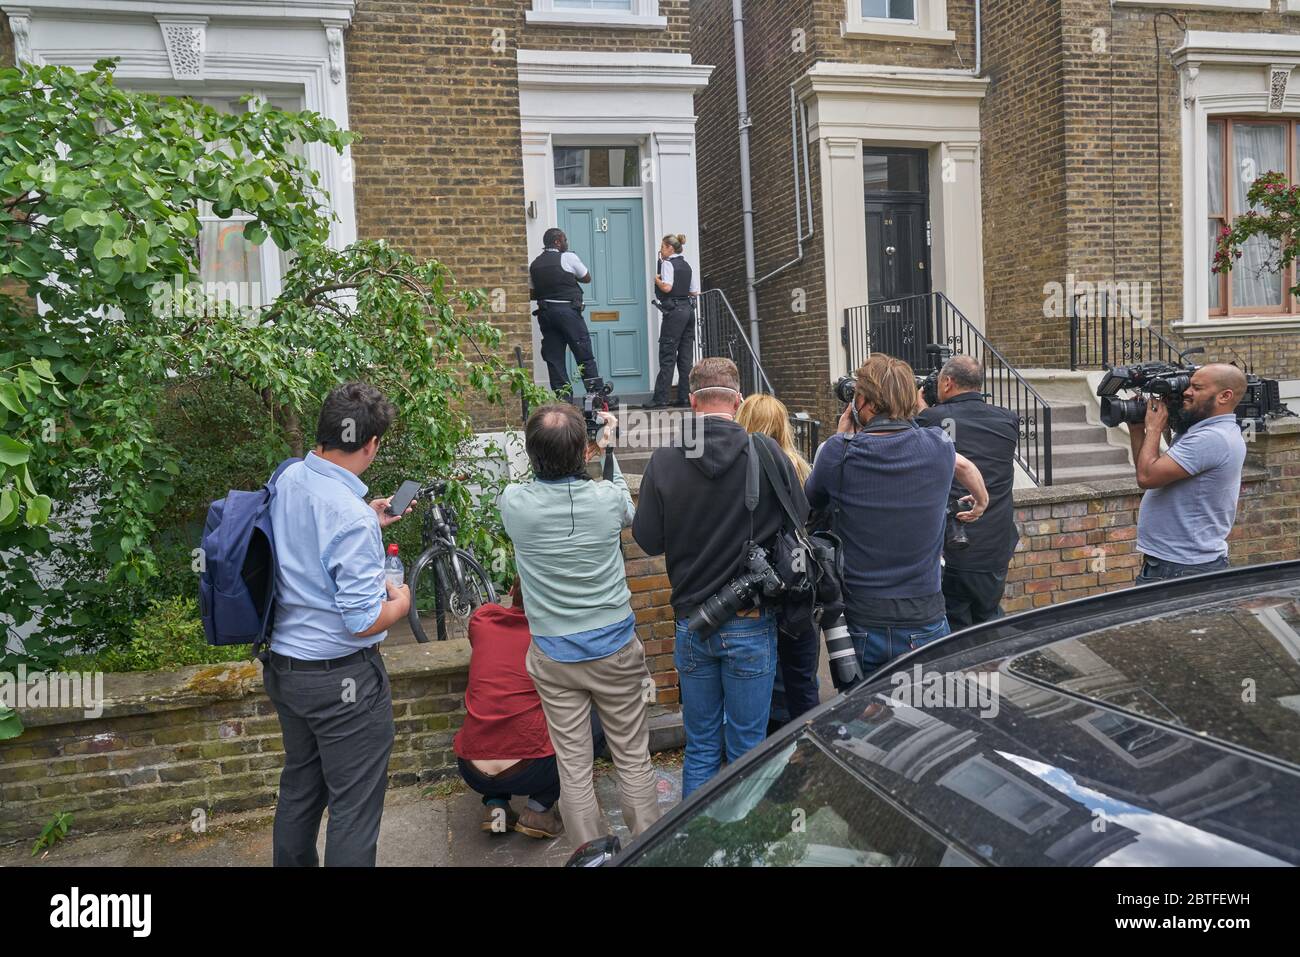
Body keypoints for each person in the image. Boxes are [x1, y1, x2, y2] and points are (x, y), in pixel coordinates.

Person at [633, 358, 808, 797]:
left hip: (693, 623)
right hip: (750, 621)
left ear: (691, 402)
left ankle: (696, 848)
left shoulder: (666, 459)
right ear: (737, 400)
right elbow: (800, 522)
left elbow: (649, 541)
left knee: (701, 747)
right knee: (748, 748)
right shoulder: (766, 452)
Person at [263, 382, 412, 868]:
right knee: (353, 807)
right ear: (370, 445)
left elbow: (304, 541)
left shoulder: (287, 479)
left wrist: (368, 519)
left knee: (300, 790)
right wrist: (403, 604)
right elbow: (363, 619)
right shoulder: (349, 516)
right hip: (341, 683)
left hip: (286, 669)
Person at [500, 404, 660, 846]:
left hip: (554, 655)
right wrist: (606, 449)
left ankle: (591, 853)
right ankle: (646, 846)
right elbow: (626, 508)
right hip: (615, 650)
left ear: (532, 453)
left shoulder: (514, 504)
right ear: (584, 451)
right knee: (632, 756)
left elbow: (533, 477)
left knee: (573, 766)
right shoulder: (607, 499)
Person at [805, 355, 989, 683]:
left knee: (865, 724)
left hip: (863, 619)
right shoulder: (938, 445)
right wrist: (982, 500)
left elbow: (811, 504)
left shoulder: (839, 453)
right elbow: (965, 467)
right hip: (925, 616)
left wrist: (840, 438)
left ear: (861, 401)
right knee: (927, 720)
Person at [453, 580, 608, 840]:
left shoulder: (482, 620)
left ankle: (496, 806)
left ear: (512, 592)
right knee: (595, 723)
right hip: (529, 770)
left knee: (497, 719)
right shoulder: (552, 638)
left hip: (470, 767)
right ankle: (539, 810)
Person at [915, 355, 1021, 630]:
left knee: (955, 627)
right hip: (996, 546)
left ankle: (967, 672)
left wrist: (923, 412)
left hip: (955, 546)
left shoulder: (930, 418)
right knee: (988, 619)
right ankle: (996, 669)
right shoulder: (1008, 419)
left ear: (948, 383)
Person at [736, 393, 820, 725]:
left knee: (763, 679)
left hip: (756, 582)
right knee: (801, 676)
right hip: (796, 582)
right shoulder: (800, 468)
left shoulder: (738, 472)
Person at [1130, 363, 1248, 583]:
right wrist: (1138, 428)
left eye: (1197, 387)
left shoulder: (1212, 438)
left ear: (1224, 396)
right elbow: (1148, 467)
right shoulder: (1205, 431)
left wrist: (1154, 429)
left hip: (1181, 567)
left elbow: (1147, 477)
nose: (1186, 391)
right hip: (1177, 563)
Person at [529, 227, 606, 398]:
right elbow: (586, 277)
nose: (566, 243)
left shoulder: (535, 264)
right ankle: (597, 398)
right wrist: (568, 278)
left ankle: (564, 402)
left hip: (546, 314)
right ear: (557, 241)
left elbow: (532, 293)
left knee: (554, 359)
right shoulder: (568, 257)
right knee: (583, 354)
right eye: (565, 240)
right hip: (568, 313)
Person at [649, 234, 699, 409]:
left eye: (662, 247)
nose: (661, 251)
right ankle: (685, 398)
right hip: (688, 311)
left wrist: (657, 280)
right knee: (685, 358)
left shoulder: (668, 264)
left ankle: (660, 399)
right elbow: (694, 292)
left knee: (668, 355)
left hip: (675, 313)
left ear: (670, 248)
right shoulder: (686, 265)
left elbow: (667, 287)